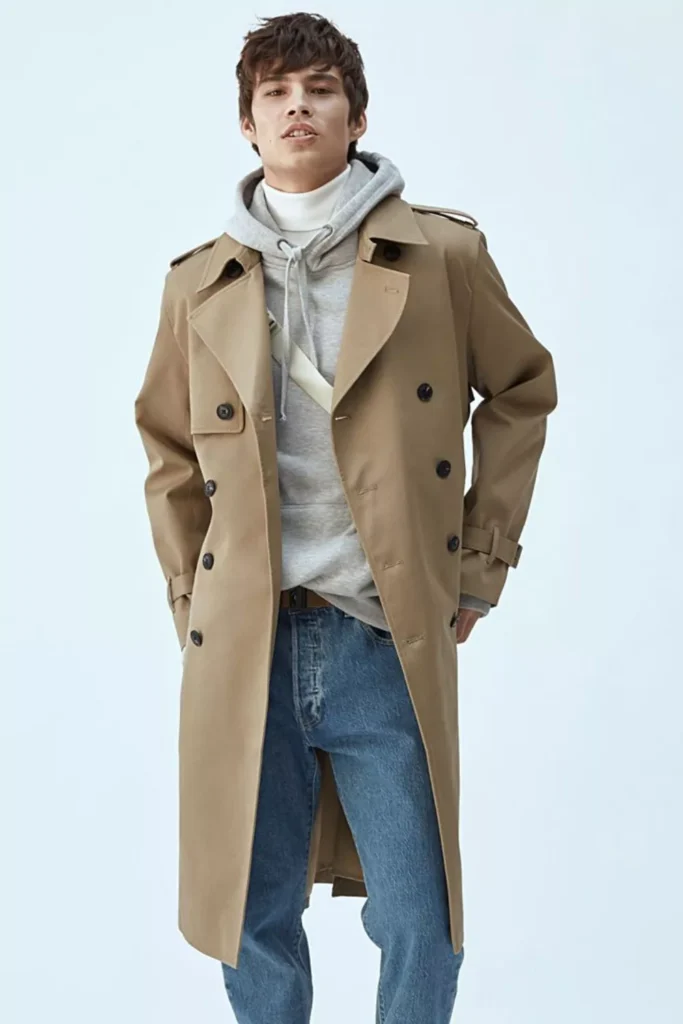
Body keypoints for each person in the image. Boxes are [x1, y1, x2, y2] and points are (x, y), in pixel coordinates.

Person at [134, 11, 558, 1022]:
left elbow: (520, 390)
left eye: (319, 89)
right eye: (275, 93)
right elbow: (168, 450)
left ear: (356, 116)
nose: (298, 107)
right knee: (250, 917)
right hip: (248, 642)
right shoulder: (199, 283)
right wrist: (193, 601)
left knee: (421, 919)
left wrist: (479, 563)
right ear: (246, 123)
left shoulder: (440, 256)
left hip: (383, 631)